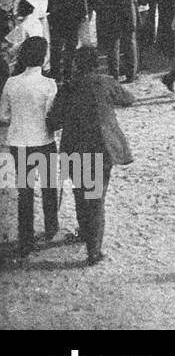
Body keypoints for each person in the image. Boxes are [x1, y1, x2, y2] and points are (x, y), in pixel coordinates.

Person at [48, 48, 134, 266]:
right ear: (97, 63)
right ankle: (93, 251)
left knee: (80, 193)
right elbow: (128, 99)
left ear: (76, 65)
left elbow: (54, 122)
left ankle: (86, 233)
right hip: (101, 148)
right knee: (96, 198)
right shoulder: (106, 82)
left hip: (75, 148)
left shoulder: (68, 88)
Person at [0, 37, 60, 258]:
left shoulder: (11, 83)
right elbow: (51, 117)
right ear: (43, 57)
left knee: (24, 192)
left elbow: (4, 115)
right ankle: (51, 227)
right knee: (49, 187)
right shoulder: (49, 85)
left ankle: (25, 238)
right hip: (43, 141)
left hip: (18, 143)